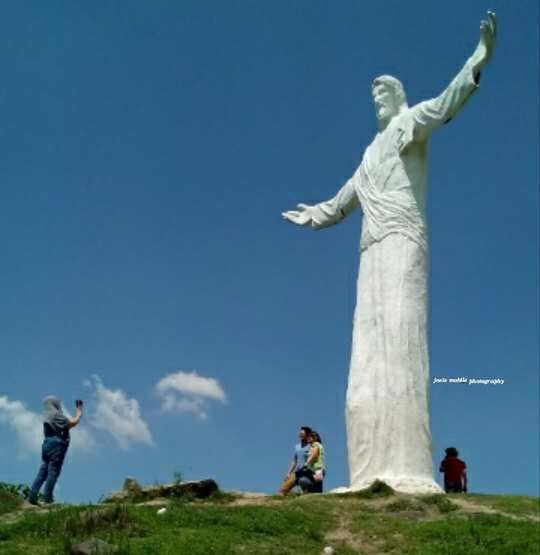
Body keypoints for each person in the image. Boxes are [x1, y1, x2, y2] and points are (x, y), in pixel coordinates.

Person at [282, 12, 496, 493]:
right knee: (365, 367)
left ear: (398, 97)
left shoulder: (411, 123)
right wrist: (312, 215)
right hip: (371, 252)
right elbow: (341, 203)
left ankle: (406, 468)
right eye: (373, 95)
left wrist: (477, 59)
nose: (378, 100)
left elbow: (446, 104)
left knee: (400, 344)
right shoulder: (368, 155)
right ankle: (368, 473)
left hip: (403, 243)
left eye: (385, 93)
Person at [28, 396, 83, 505]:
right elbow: (71, 423)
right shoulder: (56, 415)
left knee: (43, 472)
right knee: (53, 471)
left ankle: (32, 496)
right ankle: (47, 499)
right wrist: (79, 412)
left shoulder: (47, 415)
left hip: (46, 444)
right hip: (56, 444)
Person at [279, 426, 312, 495]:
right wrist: (288, 473)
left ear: (307, 435)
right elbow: (294, 460)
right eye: (300, 433)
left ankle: (306, 493)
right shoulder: (297, 446)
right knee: (282, 490)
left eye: (302, 434)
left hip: (307, 473)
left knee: (305, 490)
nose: (300, 435)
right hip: (297, 472)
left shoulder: (311, 446)